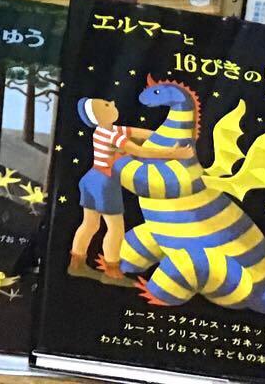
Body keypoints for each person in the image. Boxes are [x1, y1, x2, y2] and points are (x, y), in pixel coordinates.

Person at [69, 96, 192, 285]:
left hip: (90, 179)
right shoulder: (112, 135)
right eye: (106, 105)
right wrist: (174, 153)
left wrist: (166, 138)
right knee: (115, 228)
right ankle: (112, 272)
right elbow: (140, 151)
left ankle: (76, 264)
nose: (113, 103)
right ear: (98, 116)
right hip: (104, 182)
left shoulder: (107, 131)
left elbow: (141, 133)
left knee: (90, 224)